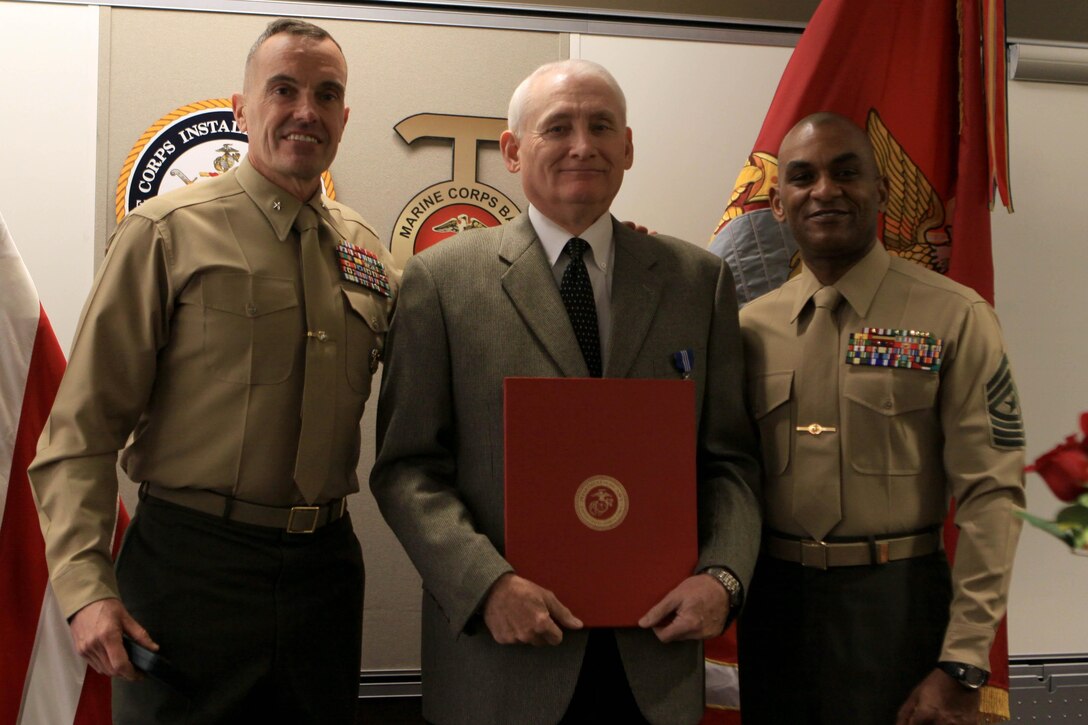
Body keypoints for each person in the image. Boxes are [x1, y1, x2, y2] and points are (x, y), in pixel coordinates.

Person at [368, 59, 761, 725]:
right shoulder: (441, 281)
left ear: (628, 147)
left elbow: (731, 462)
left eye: (601, 125)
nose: (583, 144)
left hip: (655, 663)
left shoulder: (699, 281)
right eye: (559, 127)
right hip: (500, 665)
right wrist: (485, 583)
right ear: (514, 150)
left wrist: (723, 578)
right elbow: (407, 467)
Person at [28, 18, 397, 723]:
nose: (305, 111)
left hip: (325, 575)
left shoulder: (365, 250)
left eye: (326, 95)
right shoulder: (166, 232)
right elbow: (80, 431)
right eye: (282, 89)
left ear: (344, 118)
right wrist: (85, 586)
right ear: (241, 107)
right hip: (189, 571)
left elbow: (451, 340)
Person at [736, 112, 1025, 725]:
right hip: (776, 610)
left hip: (900, 609)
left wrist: (965, 660)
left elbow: (992, 494)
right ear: (780, 203)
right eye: (802, 176)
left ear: (883, 190)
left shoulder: (954, 316)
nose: (825, 190)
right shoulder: (746, 328)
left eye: (847, 173)